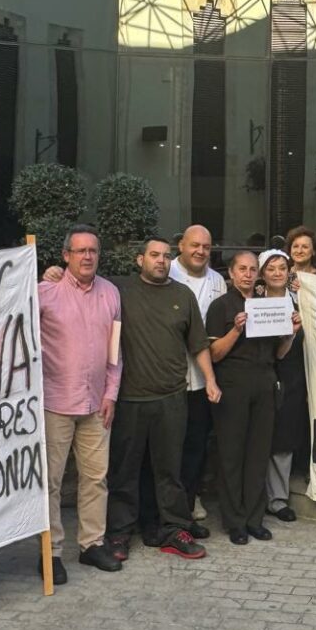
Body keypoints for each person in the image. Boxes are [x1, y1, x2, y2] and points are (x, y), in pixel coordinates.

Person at [107, 237, 220, 561]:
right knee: (125, 472)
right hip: (129, 399)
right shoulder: (118, 292)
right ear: (139, 259)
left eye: (166, 256)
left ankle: (174, 530)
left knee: (170, 471)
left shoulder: (181, 295)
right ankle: (119, 535)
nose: (161, 260)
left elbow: (198, 344)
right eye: (154, 255)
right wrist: (55, 273)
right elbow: (83, 285)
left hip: (172, 398)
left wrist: (210, 380)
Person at [38, 227, 123, 580]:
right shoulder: (45, 292)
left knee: (96, 478)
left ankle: (91, 545)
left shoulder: (111, 293)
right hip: (54, 401)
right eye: (80, 251)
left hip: (96, 404)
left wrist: (111, 393)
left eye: (93, 251)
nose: (87, 257)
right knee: (51, 481)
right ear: (66, 255)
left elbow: (115, 350)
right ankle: (50, 553)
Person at [206, 250, 299, 544]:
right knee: (232, 454)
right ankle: (234, 521)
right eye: (241, 269)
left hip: (264, 381)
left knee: (259, 453)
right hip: (233, 383)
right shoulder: (220, 306)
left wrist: (292, 333)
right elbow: (214, 353)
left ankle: (254, 518)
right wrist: (236, 329)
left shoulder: (267, 305)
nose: (247, 274)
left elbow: (279, 353)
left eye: (251, 269)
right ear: (231, 274)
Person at [167, 225, 225, 531]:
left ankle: (190, 501)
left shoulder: (217, 281)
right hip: (169, 377)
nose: (200, 251)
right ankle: (169, 506)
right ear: (181, 246)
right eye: (194, 245)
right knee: (168, 446)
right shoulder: (167, 271)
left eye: (206, 246)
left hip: (202, 379)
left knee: (195, 445)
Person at [265, 240, 308, 522]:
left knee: (284, 437)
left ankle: (278, 498)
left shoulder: (301, 301)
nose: (278, 273)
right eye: (272, 268)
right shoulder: (254, 301)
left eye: (283, 267)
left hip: (292, 378)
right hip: (262, 374)